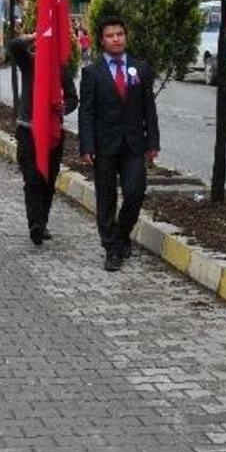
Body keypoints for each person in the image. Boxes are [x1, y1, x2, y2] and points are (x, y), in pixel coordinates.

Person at [78, 16, 160, 271]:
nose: (116, 39)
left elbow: (149, 108)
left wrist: (153, 142)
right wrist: (87, 145)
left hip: (134, 144)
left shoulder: (140, 68)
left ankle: (123, 233)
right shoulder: (92, 72)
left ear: (126, 36)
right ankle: (111, 249)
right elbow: (86, 112)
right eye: (110, 35)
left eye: (120, 34)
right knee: (106, 198)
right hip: (104, 146)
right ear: (102, 40)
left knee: (135, 192)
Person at [7, 33, 79, 245]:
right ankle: (34, 224)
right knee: (32, 178)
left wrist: (62, 108)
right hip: (28, 130)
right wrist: (38, 34)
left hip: (52, 133)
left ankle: (42, 222)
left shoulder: (60, 68)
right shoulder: (29, 63)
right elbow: (14, 46)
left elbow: (73, 98)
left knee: (48, 180)